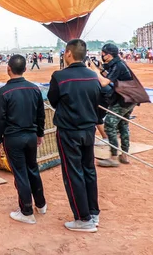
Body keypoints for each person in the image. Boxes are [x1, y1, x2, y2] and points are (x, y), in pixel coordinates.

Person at [47, 39, 101, 233]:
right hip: (88, 130)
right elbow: (99, 101)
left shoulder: (60, 77)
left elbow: (53, 101)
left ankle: (82, 218)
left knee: (73, 173)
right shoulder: (93, 76)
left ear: (68, 53)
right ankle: (93, 212)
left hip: (69, 131)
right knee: (89, 170)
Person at [0, 55, 47, 224]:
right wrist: (39, 134)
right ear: (25, 69)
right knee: (33, 169)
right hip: (31, 136)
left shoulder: (3, 92)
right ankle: (41, 204)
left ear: (8, 69)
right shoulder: (35, 89)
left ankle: (26, 211)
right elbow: (41, 114)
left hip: (13, 138)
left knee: (20, 174)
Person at [89, 44, 136, 167]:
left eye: (103, 54)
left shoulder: (118, 65)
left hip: (123, 100)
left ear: (108, 55)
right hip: (129, 98)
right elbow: (110, 76)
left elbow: (104, 82)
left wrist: (94, 69)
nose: (102, 56)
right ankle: (124, 155)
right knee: (123, 125)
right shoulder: (118, 63)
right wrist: (100, 69)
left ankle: (113, 157)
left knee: (110, 125)